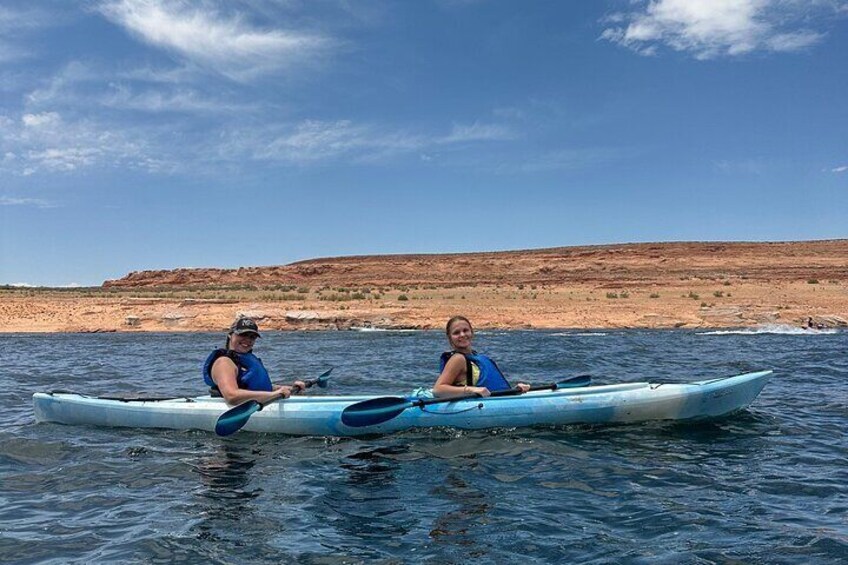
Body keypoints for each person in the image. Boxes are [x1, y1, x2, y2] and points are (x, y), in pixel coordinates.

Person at [202, 317, 305, 405]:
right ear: (230, 335)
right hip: (231, 407)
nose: (248, 340)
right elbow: (231, 396)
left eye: (252, 337)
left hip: (255, 402)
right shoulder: (224, 362)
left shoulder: (245, 361)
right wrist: (273, 395)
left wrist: (289, 389)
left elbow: (258, 387)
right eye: (243, 334)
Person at [433, 315, 531, 398]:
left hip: (496, 402)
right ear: (449, 337)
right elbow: (438, 390)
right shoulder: (458, 359)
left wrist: (515, 390)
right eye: (456, 333)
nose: (462, 335)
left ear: (472, 332)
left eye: (465, 330)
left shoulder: (477, 357)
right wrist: (472, 390)